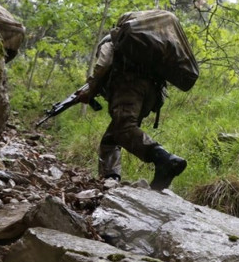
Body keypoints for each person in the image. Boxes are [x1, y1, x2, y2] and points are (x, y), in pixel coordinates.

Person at [76, 21, 187, 192]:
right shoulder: (143, 46)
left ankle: (165, 160)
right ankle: (110, 179)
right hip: (151, 94)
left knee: (124, 129)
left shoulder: (110, 41)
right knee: (111, 139)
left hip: (129, 86)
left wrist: (90, 90)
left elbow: (103, 64)